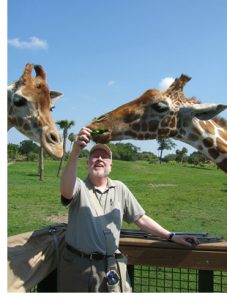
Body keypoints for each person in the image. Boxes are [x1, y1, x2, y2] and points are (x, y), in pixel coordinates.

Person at [59, 127, 199, 293]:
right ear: (87, 162)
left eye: (104, 156)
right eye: (95, 156)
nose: (99, 159)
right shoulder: (79, 186)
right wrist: (75, 151)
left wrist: (171, 236)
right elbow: (66, 191)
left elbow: (141, 219)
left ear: (111, 164)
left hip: (109, 267)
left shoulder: (120, 188)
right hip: (77, 267)